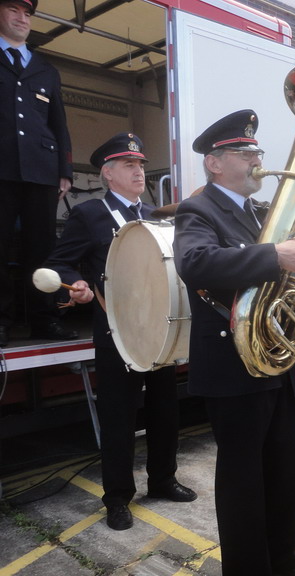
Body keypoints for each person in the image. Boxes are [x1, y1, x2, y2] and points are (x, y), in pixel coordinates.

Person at [173, 110, 295, 576]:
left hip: (277, 362)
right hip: (233, 367)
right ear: (215, 163)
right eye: (246, 153)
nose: (258, 160)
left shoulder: (262, 214)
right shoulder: (198, 211)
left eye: (258, 152)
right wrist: (274, 255)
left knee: (285, 469)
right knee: (242, 479)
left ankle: (283, 555)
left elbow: (280, 283)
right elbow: (195, 265)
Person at [44, 133, 197, 531]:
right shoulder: (91, 214)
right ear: (108, 174)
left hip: (158, 328)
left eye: (141, 165)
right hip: (116, 332)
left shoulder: (154, 213)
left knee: (166, 409)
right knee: (119, 417)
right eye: (129, 166)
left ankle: (163, 480)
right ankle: (117, 497)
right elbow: (61, 263)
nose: (139, 171)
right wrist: (74, 283)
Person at [0, 0, 76, 347]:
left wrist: (64, 171)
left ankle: (46, 320)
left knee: (44, 250)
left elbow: (58, 124)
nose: (21, 18)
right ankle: (1, 323)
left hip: (42, 171)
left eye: (27, 13)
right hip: (2, 169)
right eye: (13, 9)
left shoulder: (46, 69)